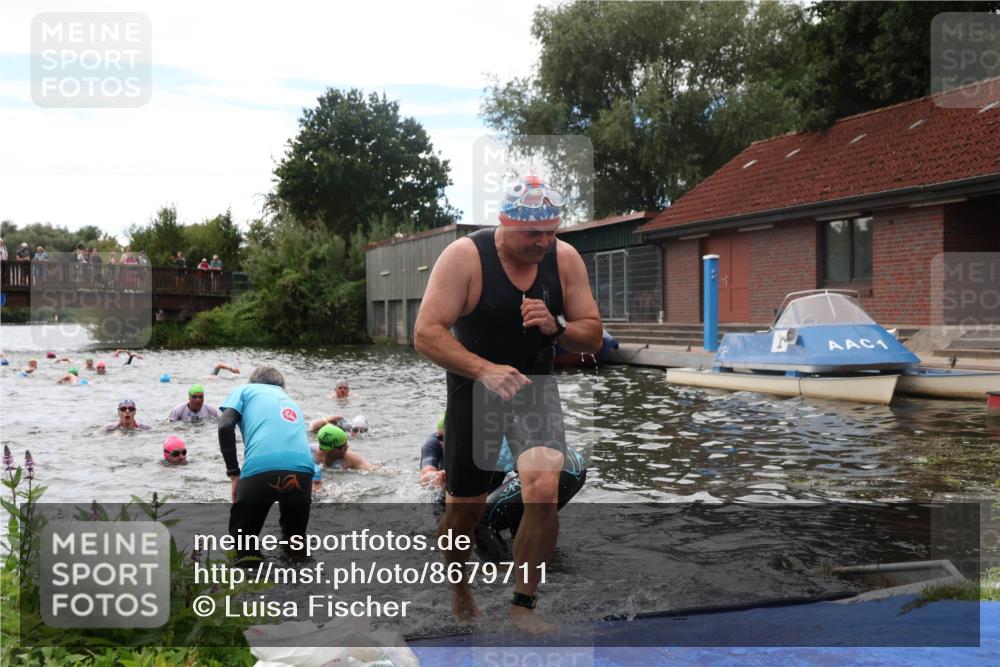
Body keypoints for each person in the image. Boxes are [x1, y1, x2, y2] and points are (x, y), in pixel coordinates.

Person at [413, 174, 602, 632]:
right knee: (464, 512)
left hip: (535, 387)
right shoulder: (465, 258)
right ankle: (461, 591)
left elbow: (592, 332)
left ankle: (523, 606)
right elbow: (425, 333)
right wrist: (484, 370)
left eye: (550, 233)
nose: (542, 242)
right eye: (531, 233)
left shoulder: (565, 259)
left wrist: (557, 325)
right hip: (473, 391)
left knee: (542, 488)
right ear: (504, 222)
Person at [419, 414, 587, 562]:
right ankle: (542, 570)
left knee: (481, 520)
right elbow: (428, 477)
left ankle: (504, 572)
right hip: (573, 466)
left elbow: (478, 499)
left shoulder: (482, 444)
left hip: (561, 470)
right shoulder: (441, 442)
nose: (443, 443)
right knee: (518, 518)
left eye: (447, 439)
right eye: (439, 438)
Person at [217, 366, 314, 562]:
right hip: (303, 470)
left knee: (243, 546)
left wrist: (234, 473)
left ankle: (250, 589)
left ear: (253, 381)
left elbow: (225, 425)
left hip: (261, 468)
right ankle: (300, 587)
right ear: (281, 385)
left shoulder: (245, 390)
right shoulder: (289, 399)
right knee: (295, 545)